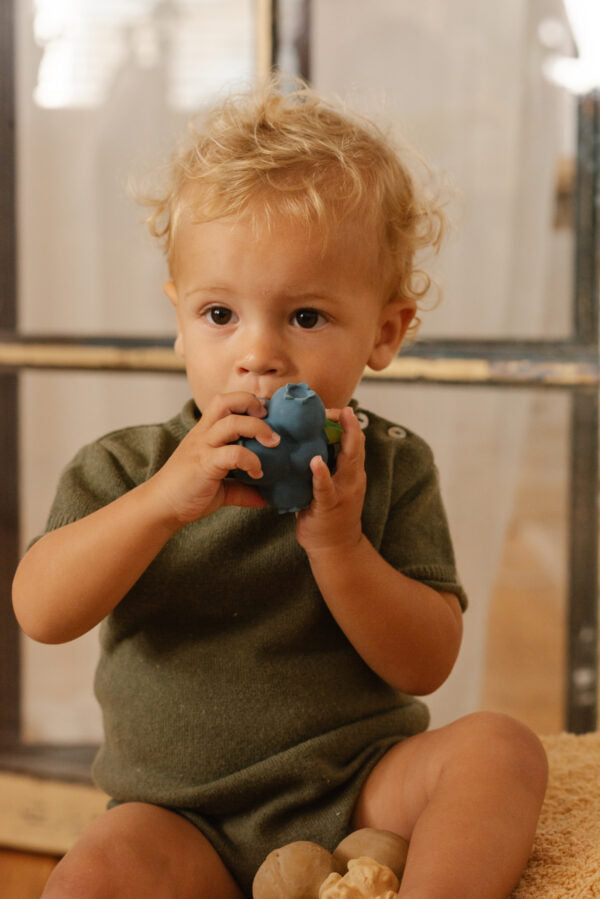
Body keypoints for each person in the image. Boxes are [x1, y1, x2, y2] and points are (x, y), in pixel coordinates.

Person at [12, 78, 547, 899]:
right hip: (179, 815)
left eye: (304, 317)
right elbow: (41, 611)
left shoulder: (390, 465)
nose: (257, 354)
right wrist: (161, 503)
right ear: (179, 319)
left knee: (501, 749)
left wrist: (339, 544)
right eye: (220, 314)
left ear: (385, 332)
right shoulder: (127, 467)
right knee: (92, 873)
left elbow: (427, 662)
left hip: (359, 787)